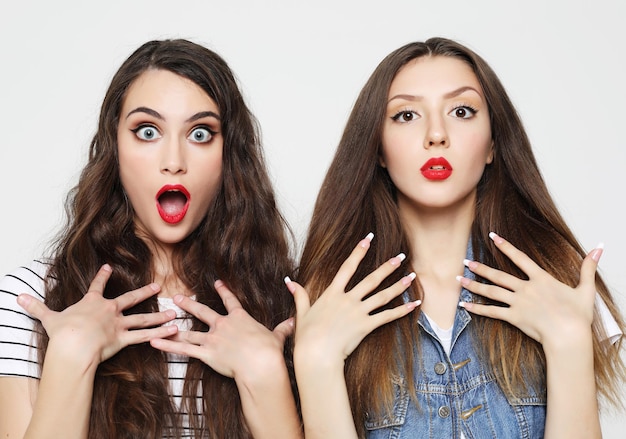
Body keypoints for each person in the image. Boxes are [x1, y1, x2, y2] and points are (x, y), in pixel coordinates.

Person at [287, 37, 625, 439]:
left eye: (461, 111)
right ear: (377, 148)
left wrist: (569, 343)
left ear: (493, 145)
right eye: (406, 114)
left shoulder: (561, 286)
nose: (436, 134)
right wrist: (315, 361)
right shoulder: (328, 301)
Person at [0, 39, 301, 439]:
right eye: (147, 131)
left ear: (229, 155)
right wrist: (71, 357)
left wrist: (266, 377)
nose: (173, 161)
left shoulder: (287, 305)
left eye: (200, 133)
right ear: (115, 148)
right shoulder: (36, 301)